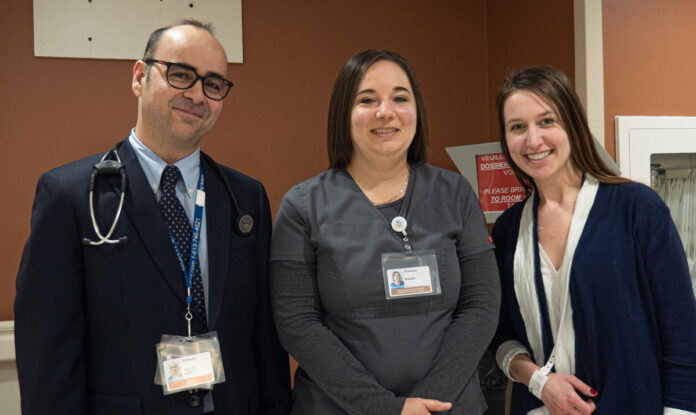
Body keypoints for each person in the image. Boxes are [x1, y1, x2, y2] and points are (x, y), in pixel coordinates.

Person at [14, 20, 291, 415]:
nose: (197, 94)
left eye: (213, 84)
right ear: (140, 77)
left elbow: (266, 338)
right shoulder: (70, 196)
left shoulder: (246, 198)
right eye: (181, 75)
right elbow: (47, 352)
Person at [270, 49, 500, 415]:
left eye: (399, 98)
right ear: (343, 113)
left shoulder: (455, 193)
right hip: (339, 407)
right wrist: (385, 409)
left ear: (417, 111)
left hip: (448, 405)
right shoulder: (303, 205)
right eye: (367, 100)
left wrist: (430, 401)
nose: (385, 111)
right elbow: (297, 323)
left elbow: (481, 305)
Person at [490, 65, 696, 414]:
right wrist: (538, 381)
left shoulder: (637, 209)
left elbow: (682, 338)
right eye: (517, 127)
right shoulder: (509, 228)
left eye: (546, 121)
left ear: (572, 123)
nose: (533, 140)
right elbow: (501, 337)